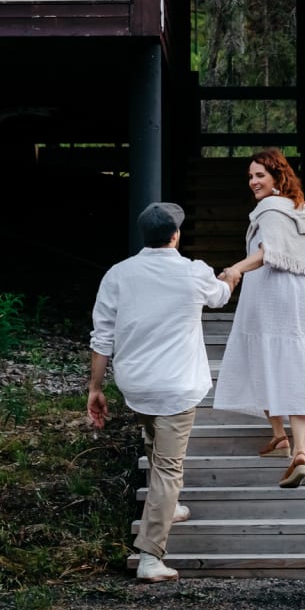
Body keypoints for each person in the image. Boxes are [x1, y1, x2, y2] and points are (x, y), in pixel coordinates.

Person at [87, 201, 235, 583]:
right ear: (175, 236)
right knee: (169, 467)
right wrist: (230, 277)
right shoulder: (194, 272)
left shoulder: (118, 274)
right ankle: (151, 555)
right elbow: (220, 296)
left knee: (154, 441)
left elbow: (102, 336)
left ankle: (170, 506)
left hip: (136, 384)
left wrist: (95, 387)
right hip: (177, 387)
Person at [210, 148, 305, 488]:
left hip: (270, 292)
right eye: (250, 177)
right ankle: (291, 445)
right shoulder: (301, 210)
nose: (253, 182)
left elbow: (266, 254)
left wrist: (235, 268)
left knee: (263, 356)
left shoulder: (269, 209)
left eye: (259, 175)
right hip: (302, 296)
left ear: (277, 177)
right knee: (294, 360)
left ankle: (286, 440)